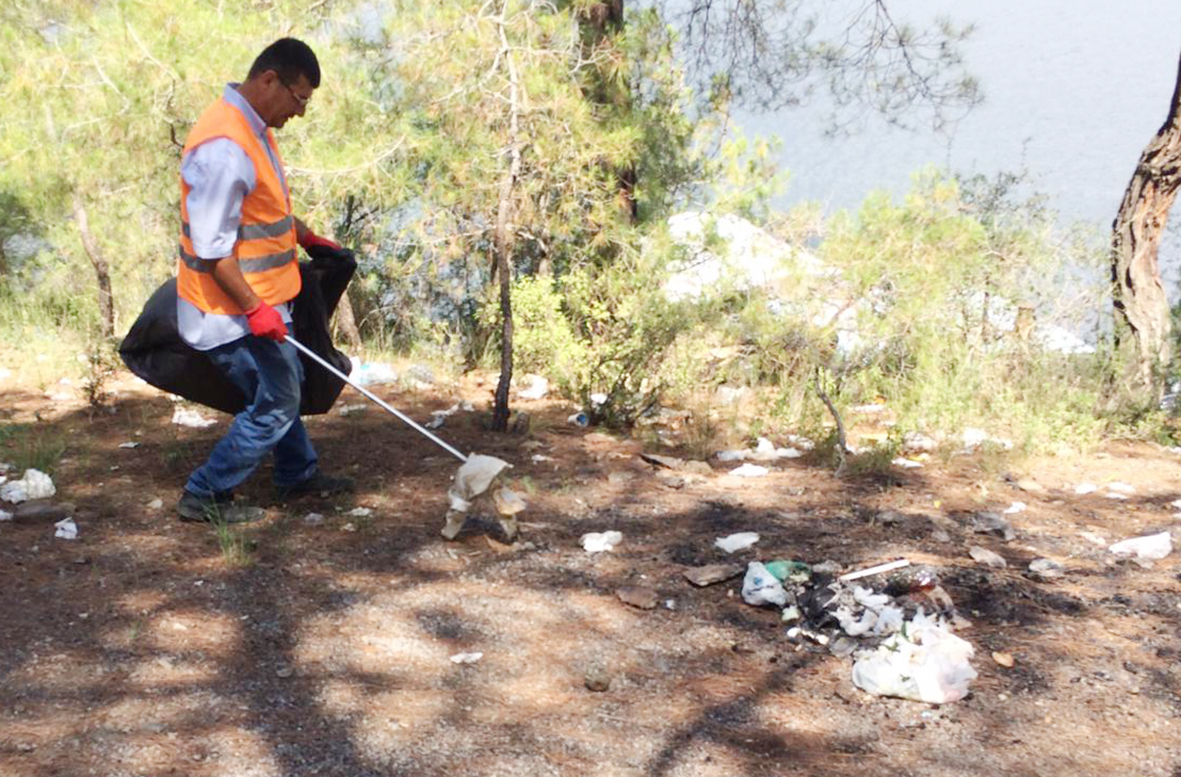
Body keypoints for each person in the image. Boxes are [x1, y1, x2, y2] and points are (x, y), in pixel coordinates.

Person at [175, 38, 352, 523]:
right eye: (300, 99)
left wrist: (309, 237)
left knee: (283, 387)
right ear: (269, 80)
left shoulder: (254, 127)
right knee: (277, 400)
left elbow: (262, 210)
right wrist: (255, 309)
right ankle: (205, 493)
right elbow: (213, 251)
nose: (300, 112)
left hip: (265, 299)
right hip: (229, 310)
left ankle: (296, 474)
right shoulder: (225, 148)